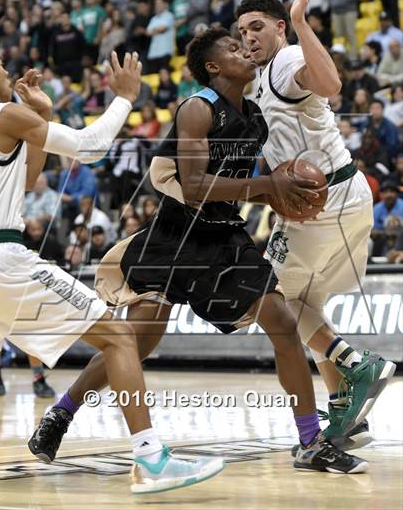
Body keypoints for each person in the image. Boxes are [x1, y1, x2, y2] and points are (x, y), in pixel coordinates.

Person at [31, 28, 370, 474]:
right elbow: (192, 186)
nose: (244, 49)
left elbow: (240, 186)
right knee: (137, 341)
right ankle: (62, 411)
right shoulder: (196, 108)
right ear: (213, 67)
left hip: (224, 235)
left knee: (284, 323)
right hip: (175, 236)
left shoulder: (254, 116)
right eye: (232, 47)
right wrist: (269, 185)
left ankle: (309, 441)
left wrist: (281, 197)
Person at [0, 42, 223, 494]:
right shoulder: (0, 116)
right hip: (0, 257)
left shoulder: (4, 123)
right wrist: (125, 96)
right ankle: (151, 458)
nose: (6, 70)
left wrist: (44, 113)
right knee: (119, 336)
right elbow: (89, 148)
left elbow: (27, 180)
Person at [236, 0, 395, 452]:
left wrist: (303, 22)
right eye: (243, 31)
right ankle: (348, 413)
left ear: (279, 27)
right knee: (309, 309)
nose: (249, 38)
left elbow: (329, 85)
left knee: (275, 303)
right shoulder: (264, 76)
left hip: (319, 204)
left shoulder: (284, 62)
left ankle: (356, 363)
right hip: (343, 194)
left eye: (257, 27)